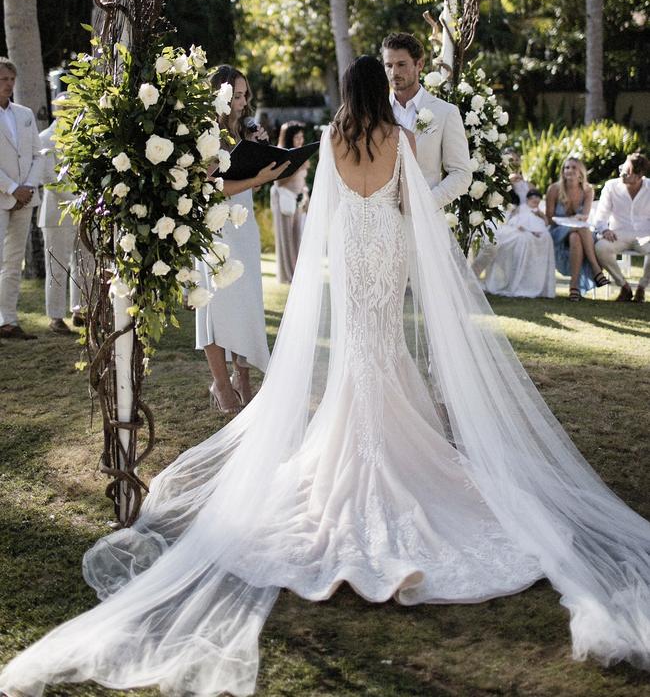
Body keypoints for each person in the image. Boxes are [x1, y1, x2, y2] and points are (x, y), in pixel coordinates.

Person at [7, 56, 650, 697]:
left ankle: (353, 447)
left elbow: (325, 212)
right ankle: (399, 452)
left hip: (348, 248)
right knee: (383, 343)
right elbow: (407, 202)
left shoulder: (331, 135)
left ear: (347, 91)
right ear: (382, 90)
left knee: (354, 351)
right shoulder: (397, 138)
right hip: (389, 243)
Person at [195, 65, 289, 413]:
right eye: (236, 95)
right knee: (217, 307)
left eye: (245, 95)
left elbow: (251, 176)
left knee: (246, 303)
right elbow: (207, 187)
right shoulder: (206, 133)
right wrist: (255, 179)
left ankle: (242, 378)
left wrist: (261, 154)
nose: (242, 101)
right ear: (219, 95)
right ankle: (221, 386)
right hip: (215, 227)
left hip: (243, 223)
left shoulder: (245, 129)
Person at [382, 33, 471, 210]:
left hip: (427, 221)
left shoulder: (445, 112)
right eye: (388, 65)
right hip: (385, 223)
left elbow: (461, 173)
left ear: (419, 64)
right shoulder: (376, 112)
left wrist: (426, 203)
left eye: (401, 64)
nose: (394, 72)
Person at [0, 58, 42, 340]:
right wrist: (12, 187)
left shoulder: (25, 113)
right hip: (3, 194)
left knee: (14, 261)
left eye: (11, 79)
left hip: (26, 196)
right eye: (3, 79)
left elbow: (38, 154)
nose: (9, 84)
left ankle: (8, 320)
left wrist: (27, 186)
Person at [38, 107, 91, 334]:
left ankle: (81, 310)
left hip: (85, 211)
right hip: (57, 212)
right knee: (57, 266)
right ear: (56, 112)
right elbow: (49, 178)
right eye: (67, 109)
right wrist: (76, 200)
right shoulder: (45, 139)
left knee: (85, 262)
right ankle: (56, 316)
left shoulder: (83, 137)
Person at [545, 157, 608, 301]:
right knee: (580, 229)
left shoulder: (587, 190)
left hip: (578, 233)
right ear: (563, 171)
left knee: (576, 236)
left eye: (574, 167)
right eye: (567, 167)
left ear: (581, 172)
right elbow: (549, 218)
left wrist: (575, 221)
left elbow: (584, 216)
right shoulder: (554, 189)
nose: (570, 170)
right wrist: (570, 221)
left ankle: (574, 288)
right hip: (558, 231)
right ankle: (596, 268)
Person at [593, 152, 650, 303]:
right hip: (619, 234)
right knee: (600, 248)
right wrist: (604, 229)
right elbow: (601, 215)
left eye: (627, 172)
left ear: (639, 176)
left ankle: (642, 288)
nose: (622, 174)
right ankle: (624, 286)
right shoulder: (611, 186)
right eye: (622, 169)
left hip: (645, 235)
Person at [483, 189, 555, 298]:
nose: (535, 199)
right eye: (533, 197)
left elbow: (545, 224)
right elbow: (514, 219)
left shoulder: (539, 212)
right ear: (528, 199)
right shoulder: (521, 209)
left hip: (536, 232)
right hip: (521, 229)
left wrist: (541, 215)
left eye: (537, 197)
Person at [270, 120, 310, 284]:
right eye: (297, 137)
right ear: (288, 138)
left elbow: (302, 180)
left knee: (297, 237)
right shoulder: (282, 154)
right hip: (284, 199)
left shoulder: (301, 153)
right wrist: (298, 168)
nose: (300, 140)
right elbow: (278, 181)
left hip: (298, 200)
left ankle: (298, 272)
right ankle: (287, 274)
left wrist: (305, 195)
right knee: (286, 238)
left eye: (302, 137)